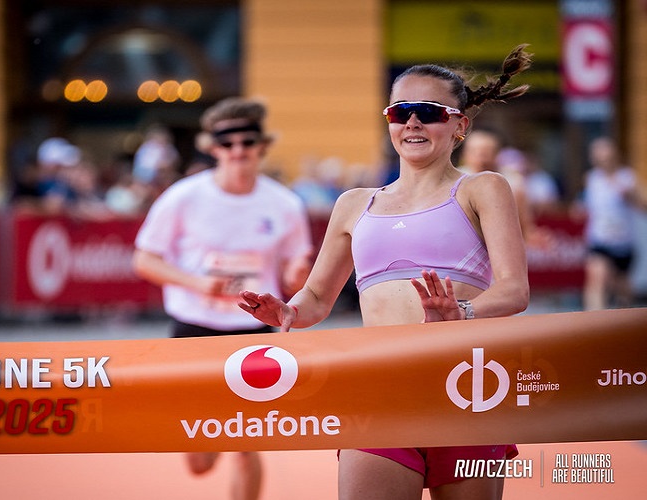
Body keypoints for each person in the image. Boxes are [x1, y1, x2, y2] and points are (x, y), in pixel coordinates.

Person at [239, 45, 532, 499]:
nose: (412, 122)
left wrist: (461, 314)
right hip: (381, 390)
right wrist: (287, 312)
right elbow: (316, 298)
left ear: (460, 125)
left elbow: (514, 291)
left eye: (428, 112)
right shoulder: (355, 203)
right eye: (400, 112)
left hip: (465, 389)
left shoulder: (482, 188)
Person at [132, 97, 313, 500]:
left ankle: (235, 440)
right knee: (198, 461)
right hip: (193, 328)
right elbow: (144, 258)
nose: (237, 151)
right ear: (211, 146)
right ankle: (211, 436)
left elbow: (292, 268)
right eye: (226, 142)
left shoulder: (284, 204)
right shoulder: (183, 197)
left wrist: (297, 273)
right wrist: (199, 284)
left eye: (247, 141)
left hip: (252, 330)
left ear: (262, 145)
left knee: (249, 445)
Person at [578, 136, 639, 310]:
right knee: (596, 279)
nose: (603, 161)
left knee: (622, 286)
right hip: (599, 238)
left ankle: (626, 317)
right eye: (599, 157)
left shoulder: (628, 178)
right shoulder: (591, 179)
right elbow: (587, 205)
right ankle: (593, 323)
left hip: (622, 239)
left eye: (606, 156)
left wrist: (631, 196)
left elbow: (643, 205)